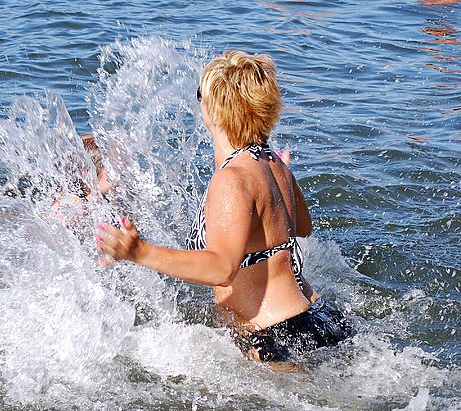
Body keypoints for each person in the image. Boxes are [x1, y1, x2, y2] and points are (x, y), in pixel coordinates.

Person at [96, 50, 351, 363]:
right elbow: (302, 228)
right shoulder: (272, 164)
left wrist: (140, 252)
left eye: (199, 94)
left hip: (275, 337)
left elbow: (222, 268)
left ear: (214, 111)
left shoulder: (232, 179)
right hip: (318, 317)